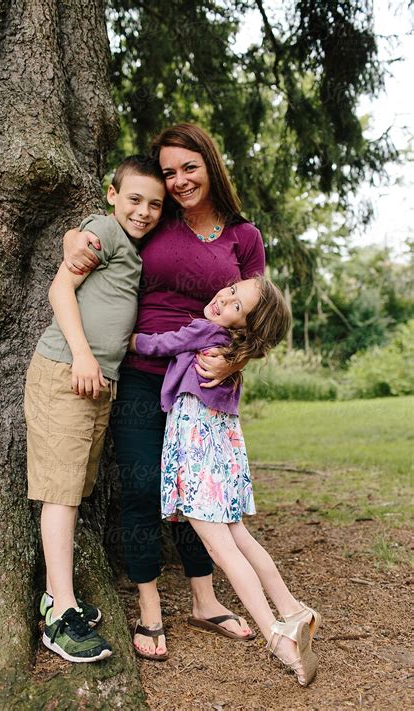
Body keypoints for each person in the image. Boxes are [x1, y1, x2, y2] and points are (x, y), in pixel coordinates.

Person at [63, 124, 265, 660]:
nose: (177, 181)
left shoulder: (244, 237)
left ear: (211, 165)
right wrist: (73, 239)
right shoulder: (156, 220)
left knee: (197, 495)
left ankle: (204, 598)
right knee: (140, 486)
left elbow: (260, 319)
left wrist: (234, 361)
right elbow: (104, 231)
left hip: (201, 386)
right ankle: (150, 607)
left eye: (188, 168)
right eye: (169, 171)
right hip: (139, 371)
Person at [128, 276, 321, 685]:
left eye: (237, 305)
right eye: (232, 289)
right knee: (241, 537)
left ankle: (277, 637)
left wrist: (130, 341)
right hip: (223, 456)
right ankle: (293, 610)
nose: (224, 298)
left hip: (198, 457)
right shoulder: (234, 352)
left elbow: (162, 344)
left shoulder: (206, 332)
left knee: (222, 548)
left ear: (245, 327)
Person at [24, 155, 166, 662]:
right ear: (112, 194)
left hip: (96, 385)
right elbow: (60, 287)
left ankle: (55, 596)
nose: (144, 211)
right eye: (134, 199)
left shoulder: (133, 248)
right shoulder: (102, 230)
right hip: (66, 371)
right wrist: (84, 355)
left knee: (74, 489)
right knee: (59, 493)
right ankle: (59, 614)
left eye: (155, 204)